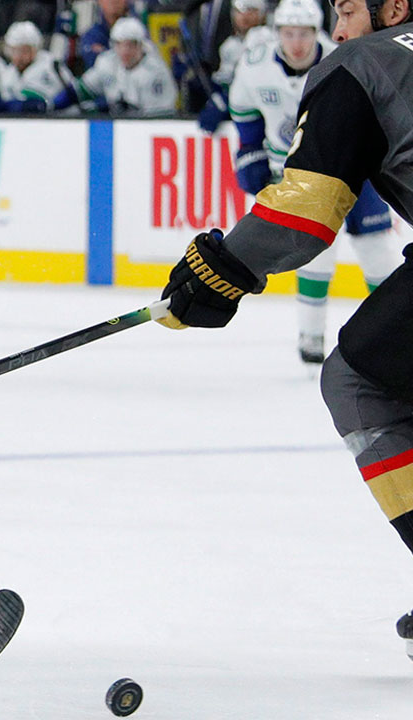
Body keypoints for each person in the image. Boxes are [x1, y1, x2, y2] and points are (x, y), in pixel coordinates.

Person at [156, 0, 413, 660]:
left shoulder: (362, 63)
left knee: (362, 381)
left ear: (395, 7)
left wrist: (221, 269)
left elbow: (303, 217)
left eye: (346, 9)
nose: (337, 27)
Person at [227, 0, 398, 366]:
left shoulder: (346, 57)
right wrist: (249, 151)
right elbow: (244, 111)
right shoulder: (255, 66)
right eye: (288, 33)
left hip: (354, 168)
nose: (297, 43)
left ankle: (396, 334)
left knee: (377, 251)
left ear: (317, 32)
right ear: (276, 33)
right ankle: (310, 334)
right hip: (296, 171)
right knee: (313, 253)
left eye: (304, 34)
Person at [55, 16, 177, 116]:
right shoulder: (108, 62)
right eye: (119, 44)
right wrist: (52, 105)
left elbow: (160, 118)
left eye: (131, 45)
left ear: (141, 45)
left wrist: (129, 112)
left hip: (143, 132)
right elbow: (80, 91)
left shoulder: (156, 72)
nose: (125, 51)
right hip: (115, 128)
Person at [196, 0, 272, 133]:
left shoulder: (268, 40)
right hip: (239, 112)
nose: (244, 16)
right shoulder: (229, 46)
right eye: (239, 11)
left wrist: (226, 99)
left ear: (262, 14)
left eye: (251, 10)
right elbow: (225, 81)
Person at [0, 19, 71, 113]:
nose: (19, 56)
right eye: (14, 51)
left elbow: (68, 97)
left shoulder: (52, 67)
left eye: (24, 50)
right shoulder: (7, 74)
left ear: (35, 49)